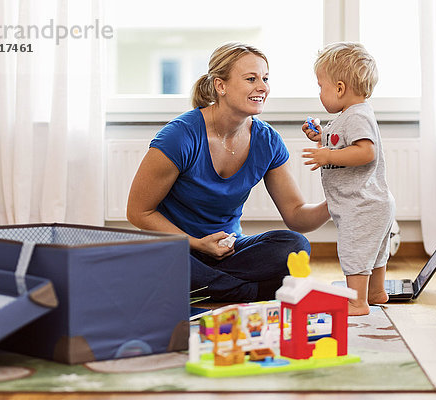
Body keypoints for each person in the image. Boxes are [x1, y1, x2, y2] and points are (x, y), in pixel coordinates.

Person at [127, 42, 329, 302]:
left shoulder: (267, 141)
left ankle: (201, 288)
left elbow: (297, 217)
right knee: (153, 260)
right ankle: (248, 291)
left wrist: (336, 201)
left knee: (295, 247)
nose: (263, 87)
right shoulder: (179, 136)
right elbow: (138, 211)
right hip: (178, 248)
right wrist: (197, 243)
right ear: (220, 86)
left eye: (265, 78)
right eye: (251, 79)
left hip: (228, 251)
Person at [302, 42, 395, 316]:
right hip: (373, 203)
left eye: (321, 87)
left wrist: (327, 155)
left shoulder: (356, 116)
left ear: (340, 88)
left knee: (354, 251)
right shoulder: (350, 116)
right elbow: (341, 142)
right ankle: (376, 292)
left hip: (361, 205)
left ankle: (357, 302)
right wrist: (320, 136)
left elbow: (366, 151)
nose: (319, 93)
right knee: (374, 252)